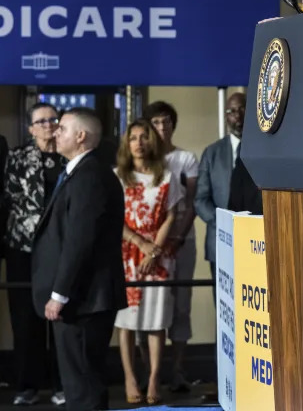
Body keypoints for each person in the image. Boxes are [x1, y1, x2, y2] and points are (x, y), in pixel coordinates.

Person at [31, 108, 126, 411]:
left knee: (83, 385)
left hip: (83, 300)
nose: (54, 133)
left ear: (81, 136)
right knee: (80, 383)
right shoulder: (82, 172)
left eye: (62, 129)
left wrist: (59, 294)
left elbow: (79, 241)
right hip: (82, 299)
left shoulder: (90, 176)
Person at [112, 119, 183, 406]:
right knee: (126, 321)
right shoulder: (117, 176)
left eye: (144, 137)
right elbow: (113, 217)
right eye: (133, 138)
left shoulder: (166, 175)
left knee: (157, 320)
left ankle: (154, 377)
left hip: (159, 256)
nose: (139, 143)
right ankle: (130, 377)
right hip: (127, 254)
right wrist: (140, 244)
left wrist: (154, 251)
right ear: (126, 144)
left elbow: (171, 215)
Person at [2, 103, 65, 407]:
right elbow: (13, 199)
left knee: (61, 315)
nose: (47, 126)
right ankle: (27, 385)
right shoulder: (16, 156)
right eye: (40, 122)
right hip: (23, 247)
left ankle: (62, 383)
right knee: (25, 318)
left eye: (52, 120)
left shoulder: (71, 155)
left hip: (62, 247)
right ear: (30, 128)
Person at [142, 101, 198, 392]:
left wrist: (177, 238)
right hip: (148, 244)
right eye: (156, 122)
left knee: (181, 306)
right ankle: (148, 372)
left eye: (166, 122)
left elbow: (191, 204)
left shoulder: (186, 158)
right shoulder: (141, 159)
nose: (162, 127)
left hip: (182, 242)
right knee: (146, 307)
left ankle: (176, 370)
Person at [194, 92, 245, 288]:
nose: (237, 116)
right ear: (226, 117)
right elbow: (200, 199)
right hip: (220, 242)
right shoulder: (211, 152)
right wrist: (223, 223)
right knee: (224, 312)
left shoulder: (262, 151)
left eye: (242, 109)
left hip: (255, 242)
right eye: (232, 111)